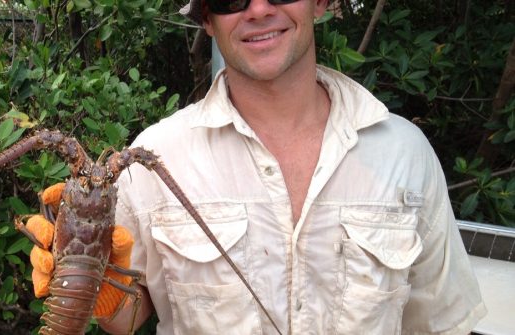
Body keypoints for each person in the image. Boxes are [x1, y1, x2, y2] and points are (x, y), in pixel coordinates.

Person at [29, 0, 487, 334]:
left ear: (321, 4)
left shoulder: (404, 153)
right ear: (207, 18)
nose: (258, 9)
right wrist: (97, 284)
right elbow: (127, 317)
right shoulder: (157, 151)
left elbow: (441, 321)